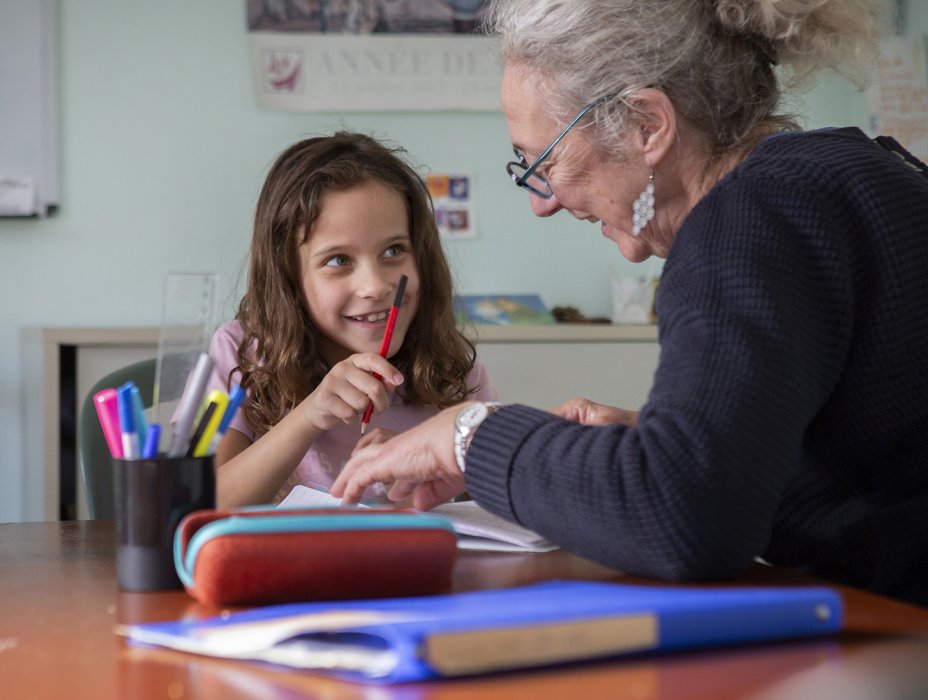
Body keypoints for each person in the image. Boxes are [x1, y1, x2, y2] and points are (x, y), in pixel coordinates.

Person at [333, 0, 928, 607]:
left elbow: (689, 520)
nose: (543, 201)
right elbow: (878, 478)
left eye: (546, 161)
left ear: (648, 125)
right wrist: (650, 447)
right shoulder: (846, 176)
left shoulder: (747, 223)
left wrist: (471, 434)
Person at [209, 131, 497, 509]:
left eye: (394, 250)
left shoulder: (453, 369)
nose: (375, 286)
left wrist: (436, 458)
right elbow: (205, 506)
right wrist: (309, 416)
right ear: (289, 274)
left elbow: (505, 508)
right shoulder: (240, 352)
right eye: (338, 260)